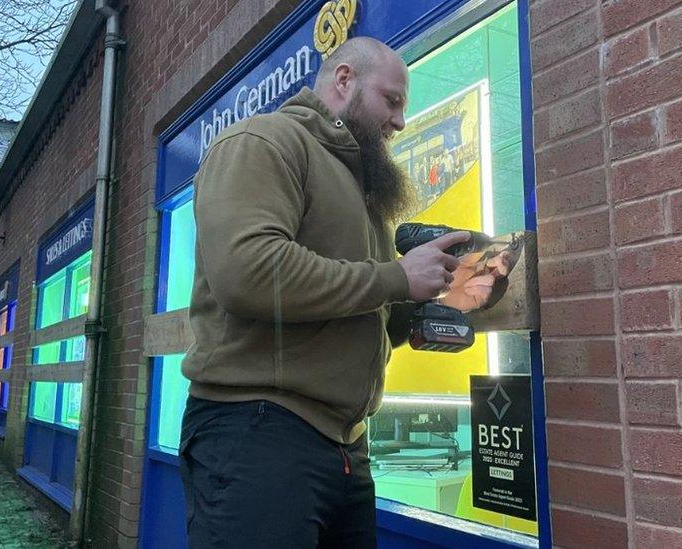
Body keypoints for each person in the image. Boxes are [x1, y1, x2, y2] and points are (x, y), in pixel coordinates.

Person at [179, 37, 480, 548]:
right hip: (258, 431)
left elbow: (360, 308)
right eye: (392, 101)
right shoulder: (263, 141)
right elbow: (248, 273)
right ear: (344, 80)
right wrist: (397, 278)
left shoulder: (363, 191)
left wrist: (432, 301)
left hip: (345, 448)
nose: (400, 122)